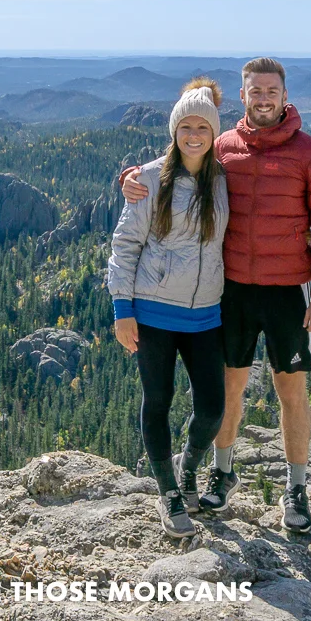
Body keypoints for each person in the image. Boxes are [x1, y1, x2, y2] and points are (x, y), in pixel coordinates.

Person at [122, 57, 311, 533]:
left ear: (285, 95)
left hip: (289, 291)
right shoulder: (223, 147)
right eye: (254, 91)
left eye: (271, 91)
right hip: (232, 290)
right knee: (228, 390)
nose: (263, 98)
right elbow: (179, 160)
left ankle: (296, 489)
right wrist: (132, 178)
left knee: (292, 390)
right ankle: (222, 475)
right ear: (242, 96)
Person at [108, 78, 230, 539]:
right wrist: (123, 309)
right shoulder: (147, 181)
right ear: (175, 130)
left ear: (214, 133)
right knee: (157, 402)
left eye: (203, 126)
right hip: (154, 312)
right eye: (186, 126)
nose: (194, 134)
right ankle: (168, 493)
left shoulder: (223, 181)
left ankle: (189, 468)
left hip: (206, 314)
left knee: (213, 407)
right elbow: (124, 245)